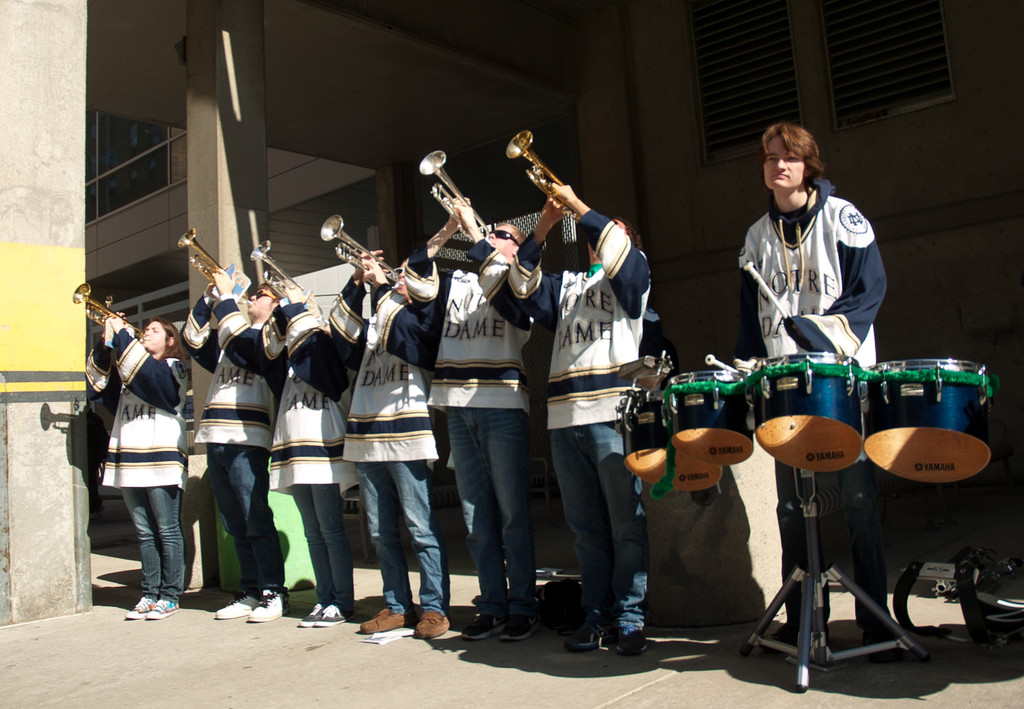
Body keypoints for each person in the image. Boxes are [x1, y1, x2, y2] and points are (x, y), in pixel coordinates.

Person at [733, 122, 899, 662]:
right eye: (770, 157)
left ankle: (876, 620)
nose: (778, 164)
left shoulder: (843, 217)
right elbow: (749, 319)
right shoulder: (756, 236)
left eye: (789, 157)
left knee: (856, 499)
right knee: (788, 506)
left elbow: (869, 291)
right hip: (784, 385)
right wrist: (749, 366)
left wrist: (820, 330)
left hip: (841, 379)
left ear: (809, 164)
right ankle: (801, 615)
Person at [506, 185, 651, 656]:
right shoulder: (566, 284)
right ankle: (596, 615)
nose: (603, 232)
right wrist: (545, 225)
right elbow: (522, 286)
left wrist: (582, 207)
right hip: (564, 420)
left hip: (613, 417)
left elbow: (616, 247)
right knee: (586, 529)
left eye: (615, 228)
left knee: (625, 524)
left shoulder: (635, 275)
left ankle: (630, 617)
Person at [397, 205, 538, 642]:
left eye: (503, 234)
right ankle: (491, 603)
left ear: (518, 248)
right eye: (489, 232)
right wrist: (449, 227)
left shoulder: (524, 279)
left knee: (513, 512)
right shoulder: (458, 279)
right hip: (456, 406)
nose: (492, 236)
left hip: (501, 404)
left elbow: (517, 304)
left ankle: (523, 605)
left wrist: (480, 240)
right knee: (476, 515)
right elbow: (416, 275)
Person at [330, 254, 451, 641]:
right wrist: (355, 281)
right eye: (393, 277)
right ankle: (398, 605)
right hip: (367, 439)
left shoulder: (423, 321)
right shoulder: (371, 327)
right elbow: (340, 336)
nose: (396, 281)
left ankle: (434, 608)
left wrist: (381, 285)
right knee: (381, 531)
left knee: (420, 527)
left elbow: (407, 338)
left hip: (408, 437)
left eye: (402, 278)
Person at [182, 272, 288, 623]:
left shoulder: (270, 339)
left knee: (255, 516)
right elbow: (193, 340)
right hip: (216, 436)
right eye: (253, 293)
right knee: (233, 521)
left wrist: (228, 299)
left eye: (262, 295)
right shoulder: (231, 336)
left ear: (275, 307)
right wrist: (209, 297)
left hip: (247, 438)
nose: (253, 298)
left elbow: (247, 351)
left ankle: (274, 590)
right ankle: (249, 590)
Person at [264, 283, 358, 628]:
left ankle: (343, 601)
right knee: (312, 532)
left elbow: (316, 355)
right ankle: (324, 598)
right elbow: (268, 352)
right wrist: (281, 309)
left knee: (331, 529)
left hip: (323, 449)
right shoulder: (291, 359)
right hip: (293, 450)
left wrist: (301, 309)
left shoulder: (324, 351)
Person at [87, 316, 188, 621]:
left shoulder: (173, 368)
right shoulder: (131, 369)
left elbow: (155, 382)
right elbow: (100, 391)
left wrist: (124, 339)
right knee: (144, 532)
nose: (146, 333)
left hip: (161, 458)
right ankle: (149, 591)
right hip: (130, 459)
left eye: (154, 330)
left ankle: (170, 594)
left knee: (166, 529)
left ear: (170, 341)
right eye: (145, 330)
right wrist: (105, 347)